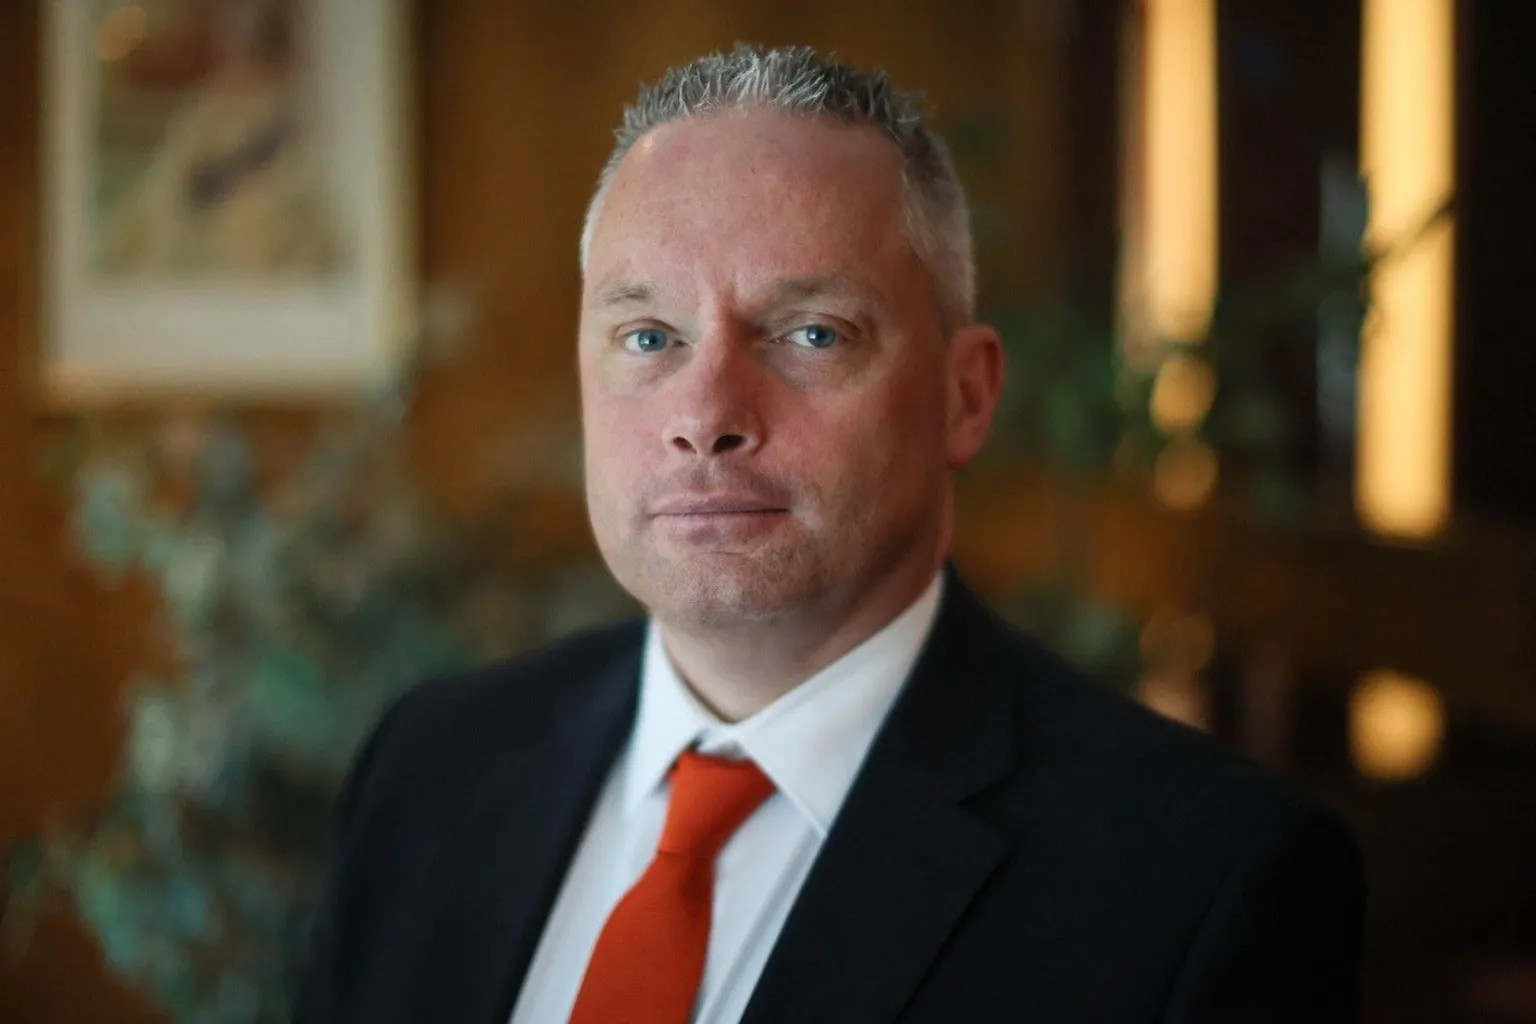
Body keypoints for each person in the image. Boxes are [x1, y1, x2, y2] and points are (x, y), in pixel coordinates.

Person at [294, 45, 1364, 1023]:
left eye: (810, 332)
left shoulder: (1202, 879)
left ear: (965, 394)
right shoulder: (429, 767)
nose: (704, 412)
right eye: (648, 335)